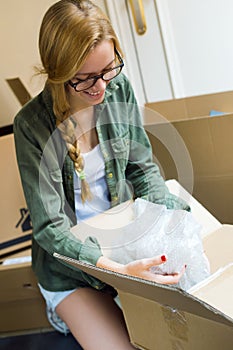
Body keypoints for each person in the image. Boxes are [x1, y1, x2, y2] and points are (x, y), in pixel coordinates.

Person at [13, 1, 190, 349]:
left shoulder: (118, 88)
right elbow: (51, 228)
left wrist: (175, 218)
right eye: (85, 79)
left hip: (126, 244)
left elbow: (142, 168)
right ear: (58, 72)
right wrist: (119, 273)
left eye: (108, 70)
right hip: (73, 270)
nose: (101, 88)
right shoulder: (31, 126)